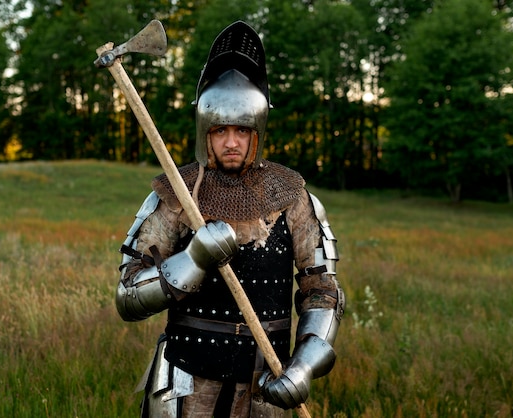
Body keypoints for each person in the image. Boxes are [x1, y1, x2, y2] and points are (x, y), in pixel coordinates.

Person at [115, 20, 345, 418]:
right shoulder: (174, 194)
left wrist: (304, 365)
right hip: (186, 384)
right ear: (206, 129)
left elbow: (322, 292)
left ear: (258, 130)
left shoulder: (292, 197)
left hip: (263, 387)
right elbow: (128, 295)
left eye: (242, 129)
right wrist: (194, 260)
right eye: (221, 130)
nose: (232, 142)